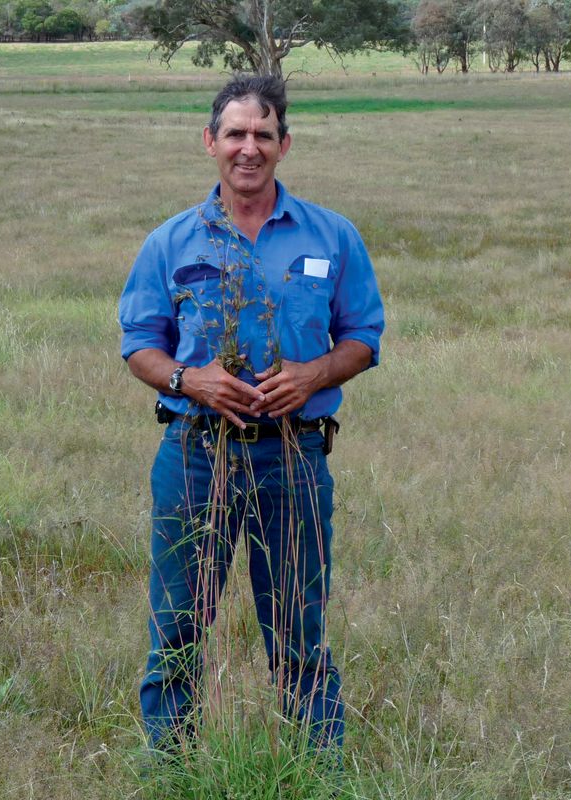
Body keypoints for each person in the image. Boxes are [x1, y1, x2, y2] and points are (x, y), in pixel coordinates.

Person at [118, 74, 384, 754]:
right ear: (209, 142)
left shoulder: (332, 236)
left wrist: (314, 373)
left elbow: (362, 337)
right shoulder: (170, 242)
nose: (248, 148)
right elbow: (139, 346)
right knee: (177, 624)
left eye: (262, 135)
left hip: (293, 458)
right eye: (234, 134)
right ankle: (169, 769)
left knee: (298, 628)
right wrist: (189, 379)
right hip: (194, 455)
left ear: (284, 145)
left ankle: (318, 770)